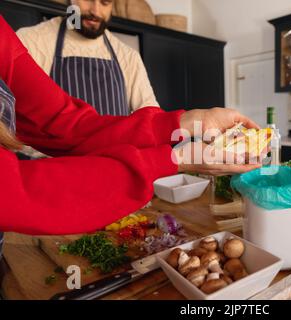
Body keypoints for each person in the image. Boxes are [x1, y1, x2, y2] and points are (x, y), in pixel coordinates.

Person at [0, 14, 260, 264]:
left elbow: (66, 125)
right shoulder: (36, 38)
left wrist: (190, 121)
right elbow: (15, 193)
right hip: (65, 196)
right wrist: (172, 159)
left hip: (98, 186)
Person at [16, 0, 158, 116]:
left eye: (105, 2)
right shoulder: (31, 40)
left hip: (113, 151)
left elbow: (150, 116)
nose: (95, 11)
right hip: (52, 151)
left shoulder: (128, 56)